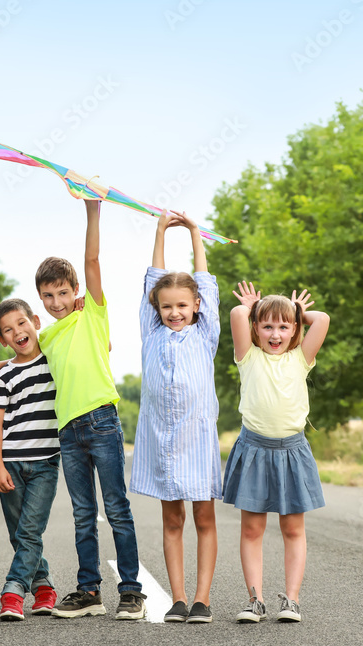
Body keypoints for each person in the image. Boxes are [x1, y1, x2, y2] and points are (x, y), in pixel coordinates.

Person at [0, 200, 146, 620]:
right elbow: (23, 355)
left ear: (75, 292)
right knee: (82, 515)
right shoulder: (49, 335)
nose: (57, 301)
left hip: (102, 422)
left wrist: (93, 211)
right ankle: (89, 590)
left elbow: (92, 260)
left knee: (117, 509)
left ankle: (131, 591)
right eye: (48, 296)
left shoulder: (91, 312)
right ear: (40, 301)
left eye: (63, 293)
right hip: (67, 433)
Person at [129, 211, 220, 624]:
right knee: (172, 517)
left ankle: (201, 599)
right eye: (167, 306)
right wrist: (161, 231)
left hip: (198, 437)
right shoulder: (152, 332)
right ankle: (178, 599)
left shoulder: (205, 333)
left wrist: (195, 235)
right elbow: (153, 279)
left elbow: (205, 280)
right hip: (162, 439)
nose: (175, 312)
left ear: (196, 305)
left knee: (203, 516)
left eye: (182, 305)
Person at [224, 281, 330, 624]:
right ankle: (255, 599)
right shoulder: (247, 356)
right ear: (255, 328)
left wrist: (297, 311)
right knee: (252, 529)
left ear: (295, 329)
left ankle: (292, 600)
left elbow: (323, 319)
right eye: (267, 325)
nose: (275, 333)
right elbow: (237, 312)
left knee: (293, 530)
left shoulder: (301, 358)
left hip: (291, 451)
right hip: (254, 449)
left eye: (284, 326)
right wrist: (253, 307)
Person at [0, 298, 60, 621]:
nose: (17, 332)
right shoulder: (3, 376)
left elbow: (102, 344)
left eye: (21, 323)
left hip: (46, 463)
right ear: (2, 340)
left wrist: (80, 310)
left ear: (36, 321)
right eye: (7, 330)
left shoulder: (55, 359)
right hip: (11, 463)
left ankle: (13, 591)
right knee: (20, 533)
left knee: (29, 530)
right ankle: (43, 586)